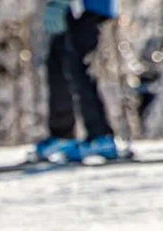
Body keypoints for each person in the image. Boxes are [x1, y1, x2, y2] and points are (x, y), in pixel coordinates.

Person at [35, 0, 123, 162]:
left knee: (76, 65)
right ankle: (63, 135)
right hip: (74, 7)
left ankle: (101, 136)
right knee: (58, 62)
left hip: (89, 7)